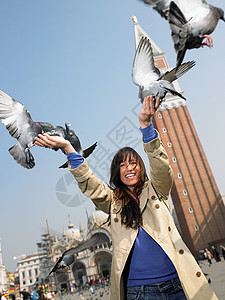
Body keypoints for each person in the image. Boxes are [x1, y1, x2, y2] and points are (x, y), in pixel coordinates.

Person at [35, 95, 218, 300]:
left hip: (177, 283)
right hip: (139, 291)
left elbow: (161, 167)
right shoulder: (114, 201)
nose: (129, 168)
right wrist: (68, 149)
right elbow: (91, 185)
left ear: (141, 167)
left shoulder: (157, 189)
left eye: (133, 163)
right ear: (116, 173)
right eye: (122, 165)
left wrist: (146, 126)